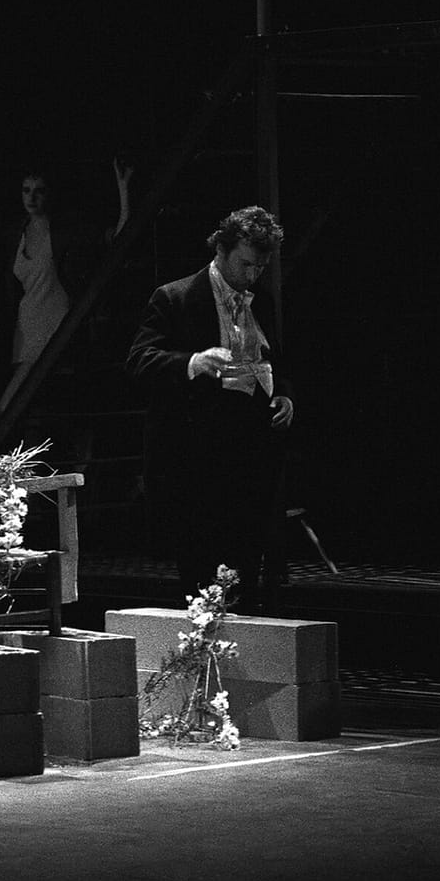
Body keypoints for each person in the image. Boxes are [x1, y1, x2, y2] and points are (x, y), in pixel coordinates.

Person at [127, 206, 294, 605]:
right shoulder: (175, 297)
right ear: (221, 249)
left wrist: (284, 394)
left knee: (246, 564)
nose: (252, 275)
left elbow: (273, 358)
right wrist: (192, 361)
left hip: (251, 450)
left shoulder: (261, 300)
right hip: (198, 453)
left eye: (260, 267)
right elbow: (139, 361)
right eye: (246, 264)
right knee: (202, 571)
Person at [0, 159, 132, 413]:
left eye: (39, 191)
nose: (32, 197)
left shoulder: (65, 231)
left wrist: (123, 189)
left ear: (49, 194)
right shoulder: (16, 234)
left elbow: (117, 238)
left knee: (13, 405)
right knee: (29, 408)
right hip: (26, 328)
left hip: (56, 325)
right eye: (26, 190)